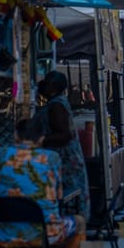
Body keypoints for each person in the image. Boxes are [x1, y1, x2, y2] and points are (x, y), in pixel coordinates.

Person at [0, 119, 86, 248]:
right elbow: (59, 196)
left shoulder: (2, 155)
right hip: (44, 234)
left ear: (16, 136)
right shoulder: (51, 157)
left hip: (4, 234)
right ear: (41, 138)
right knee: (80, 223)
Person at [32, 70, 91, 221]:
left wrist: (42, 140)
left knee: (67, 198)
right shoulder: (57, 102)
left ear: (52, 87)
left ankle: (71, 230)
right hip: (64, 160)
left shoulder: (56, 105)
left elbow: (65, 134)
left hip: (65, 163)